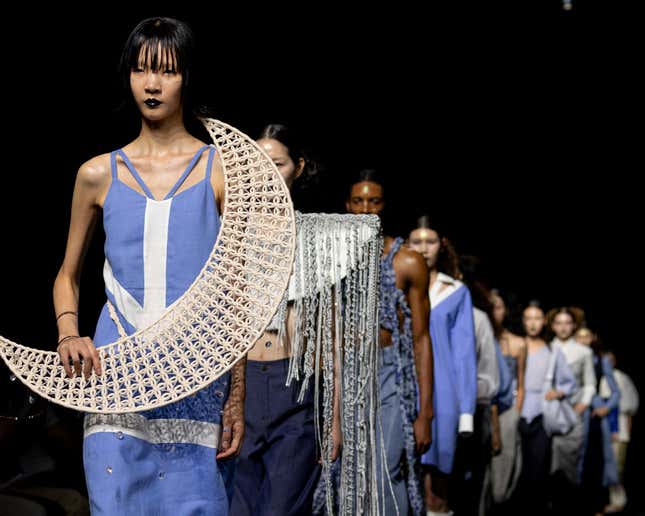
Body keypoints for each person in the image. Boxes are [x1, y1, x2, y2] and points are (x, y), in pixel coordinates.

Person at [53, 17, 244, 514]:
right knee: (116, 500)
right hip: (113, 364)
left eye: (167, 71)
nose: (152, 84)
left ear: (188, 78)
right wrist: (69, 334)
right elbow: (67, 276)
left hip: (197, 368)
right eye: (141, 70)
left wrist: (237, 394)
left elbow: (240, 294)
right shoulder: (97, 174)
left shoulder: (220, 171)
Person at [230, 124, 337, 516]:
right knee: (238, 505)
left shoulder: (318, 238)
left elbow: (331, 331)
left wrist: (335, 417)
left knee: (283, 507)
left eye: (277, 163)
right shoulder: (230, 234)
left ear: (298, 167)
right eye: (258, 163)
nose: (267, 172)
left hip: (296, 382)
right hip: (241, 383)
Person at [347, 170, 433, 515]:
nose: (366, 209)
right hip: (345, 373)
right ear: (347, 206)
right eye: (358, 201)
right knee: (348, 474)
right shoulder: (332, 257)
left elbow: (421, 338)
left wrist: (425, 413)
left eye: (374, 201)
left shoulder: (407, 261)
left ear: (384, 206)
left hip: (390, 375)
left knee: (386, 469)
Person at [407, 215, 477, 516]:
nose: (424, 248)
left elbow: (464, 354)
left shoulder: (456, 291)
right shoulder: (395, 285)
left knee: (438, 479)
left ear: (441, 245)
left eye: (430, 241)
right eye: (417, 241)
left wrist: (467, 412)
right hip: (403, 386)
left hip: (444, 391)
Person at [515, 302, 576, 516]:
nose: (533, 324)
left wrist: (557, 391)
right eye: (528, 318)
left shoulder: (552, 350)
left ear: (544, 322)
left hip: (542, 413)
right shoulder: (515, 345)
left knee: (539, 468)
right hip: (517, 411)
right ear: (523, 321)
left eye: (537, 318)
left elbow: (569, 382)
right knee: (517, 468)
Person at [546, 307, 595, 514]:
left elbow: (590, 383)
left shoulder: (584, 352)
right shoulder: (546, 348)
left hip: (572, 416)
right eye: (559, 323)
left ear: (573, 325)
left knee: (569, 466)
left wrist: (583, 403)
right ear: (552, 326)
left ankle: (570, 507)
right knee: (548, 465)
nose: (563, 327)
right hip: (548, 415)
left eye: (567, 323)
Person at [574, 328, 621, 516]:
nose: (584, 340)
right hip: (573, 413)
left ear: (593, 338)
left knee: (595, 462)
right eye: (580, 336)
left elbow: (616, 392)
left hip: (593, 417)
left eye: (587, 336)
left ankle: (596, 507)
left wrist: (606, 407)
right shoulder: (566, 356)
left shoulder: (601, 361)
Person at [600, 349, 639, 513]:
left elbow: (629, 407)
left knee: (616, 467)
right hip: (602, 429)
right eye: (604, 360)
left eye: (610, 360)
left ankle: (618, 501)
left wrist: (625, 432)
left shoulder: (622, 378)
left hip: (618, 430)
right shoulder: (600, 378)